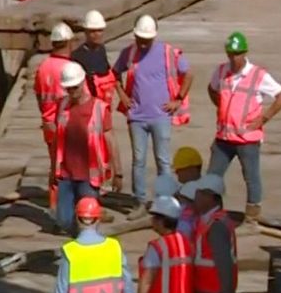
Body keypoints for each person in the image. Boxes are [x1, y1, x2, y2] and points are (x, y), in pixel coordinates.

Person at [113, 14, 194, 219]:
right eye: (140, 38)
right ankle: (139, 202)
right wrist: (122, 95)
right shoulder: (129, 53)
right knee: (138, 160)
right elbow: (114, 73)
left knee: (163, 161)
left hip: (160, 116)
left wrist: (178, 99)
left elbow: (189, 74)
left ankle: (164, 202)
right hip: (137, 117)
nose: (142, 43)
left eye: (146, 40)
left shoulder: (167, 53)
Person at [206, 31, 281, 226]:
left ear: (245, 53)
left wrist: (263, 118)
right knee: (212, 177)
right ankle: (212, 212)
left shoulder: (258, 75)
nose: (233, 58)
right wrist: (221, 106)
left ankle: (252, 215)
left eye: (237, 54)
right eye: (230, 54)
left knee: (251, 177)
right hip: (224, 137)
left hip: (247, 138)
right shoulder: (220, 72)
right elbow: (211, 88)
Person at [53, 61, 123, 234]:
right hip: (66, 173)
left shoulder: (99, 108)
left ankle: (85, 244)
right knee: (63, 220)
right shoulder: (62, 106)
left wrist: (118, 172)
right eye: (68, 88)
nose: (71, 92)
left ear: (83, 83)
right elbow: (57, 139)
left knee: (88, 220)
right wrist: (52, 169)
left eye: (74, 88)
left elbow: (110, 140)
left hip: (89, 175)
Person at [34, 22, 76, 211]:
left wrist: (45, 117)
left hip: (48, 124)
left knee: (54, 166)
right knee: (70, 168)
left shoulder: (43, 67)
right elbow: (73, 98)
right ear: (69, 42)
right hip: (65, 126)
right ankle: (66, 208)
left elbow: (38, 94)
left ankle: (54, 205)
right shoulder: (69, 68)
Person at [71, 10, 126, 108]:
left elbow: (110, 72)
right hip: (87, 106)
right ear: (86, 32)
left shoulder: (101, 50)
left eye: (100, 30)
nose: (97, 34)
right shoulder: (77, 56)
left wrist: (122, 94)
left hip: (105, 104)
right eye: (93, 31)